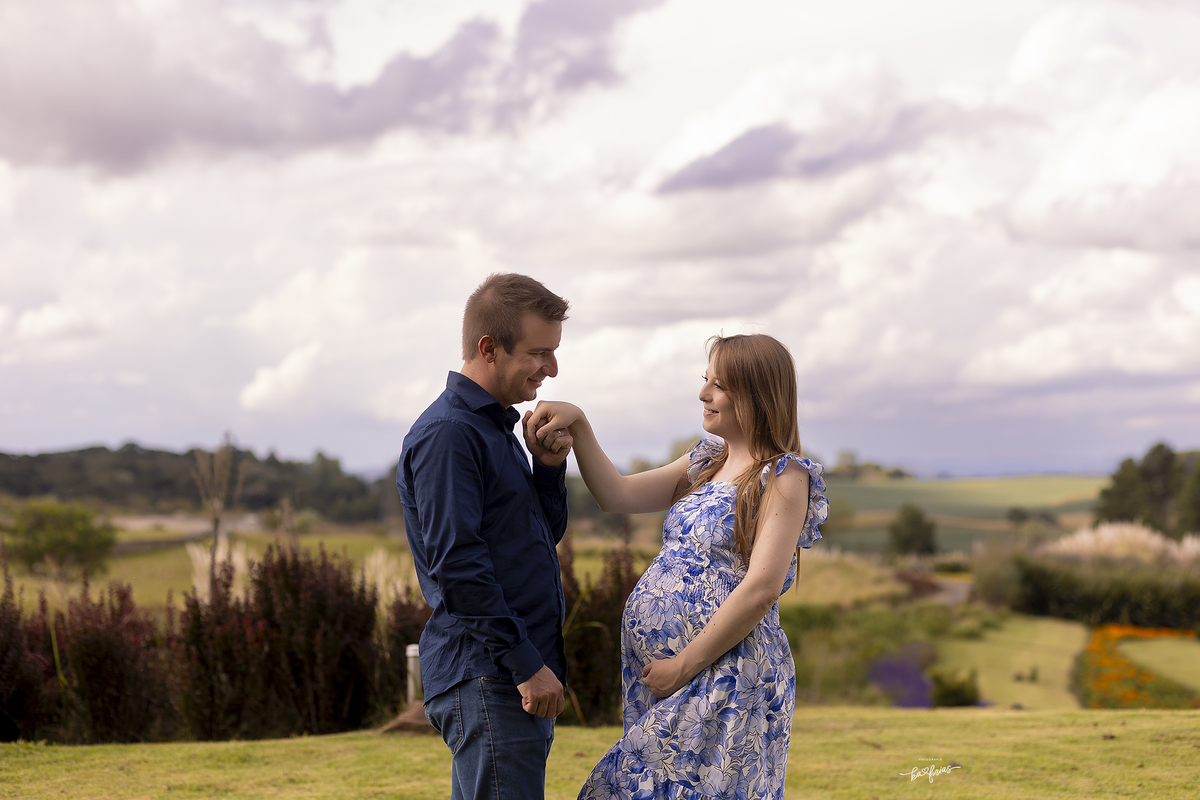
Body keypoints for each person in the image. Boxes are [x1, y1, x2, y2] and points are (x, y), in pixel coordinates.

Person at [527, 333, 828, 800]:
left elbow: (762, 587)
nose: (704, 394)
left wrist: (683, 665)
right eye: (705, 380)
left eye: (719, 385)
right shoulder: (706, 461)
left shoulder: (784, 475)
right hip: (671, 674)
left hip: (728, 673)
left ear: (757, 394)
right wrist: (581, 427)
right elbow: (618, 495)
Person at [397, 273, 575, 800]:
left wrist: (546, 469)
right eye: (539, 352)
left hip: (504, 676)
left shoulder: (494, 428)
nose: (552, 368)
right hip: (492, 675)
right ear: (488, 348)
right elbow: (458, 567)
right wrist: (525, 666)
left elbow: (536, 540)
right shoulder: (450, 433)